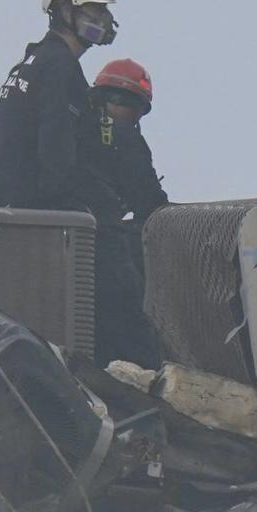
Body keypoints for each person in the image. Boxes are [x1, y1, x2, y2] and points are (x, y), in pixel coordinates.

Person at [0, 0, 127, 210]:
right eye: (94, 10)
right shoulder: (60, 67)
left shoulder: (33, 61)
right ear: (64, 9)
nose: (103, 20)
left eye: (104, 11)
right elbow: (57, 153)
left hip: (11, 211)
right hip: (41, 221)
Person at [79, 58, 168, 368]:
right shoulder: (126, 138)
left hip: (58, 243)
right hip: (105, 244)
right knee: (134, 332)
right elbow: (149, 203)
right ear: (137, 108)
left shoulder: (73, 128)